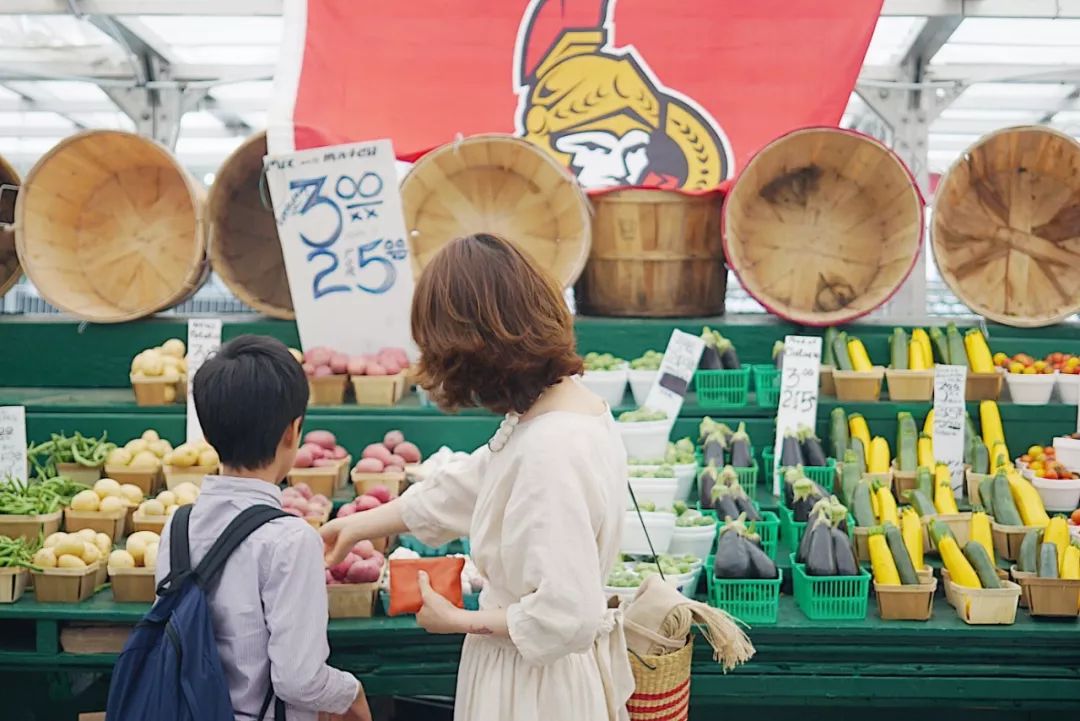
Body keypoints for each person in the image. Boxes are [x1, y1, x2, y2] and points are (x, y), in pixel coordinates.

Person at [321, 234, 635, 721]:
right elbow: (478, 482)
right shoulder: (563, 405)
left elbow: (568, 614)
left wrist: (460, 620)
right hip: (537, 677)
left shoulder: (550, 448)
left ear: (474, 349)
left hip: (533, 692)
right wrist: (360, 525)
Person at [155, 335, 372, 721]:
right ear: (293, 432)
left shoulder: (178, 524)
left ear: (207, 435)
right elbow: (298, 679)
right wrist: (351, 692)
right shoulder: (291, 539)